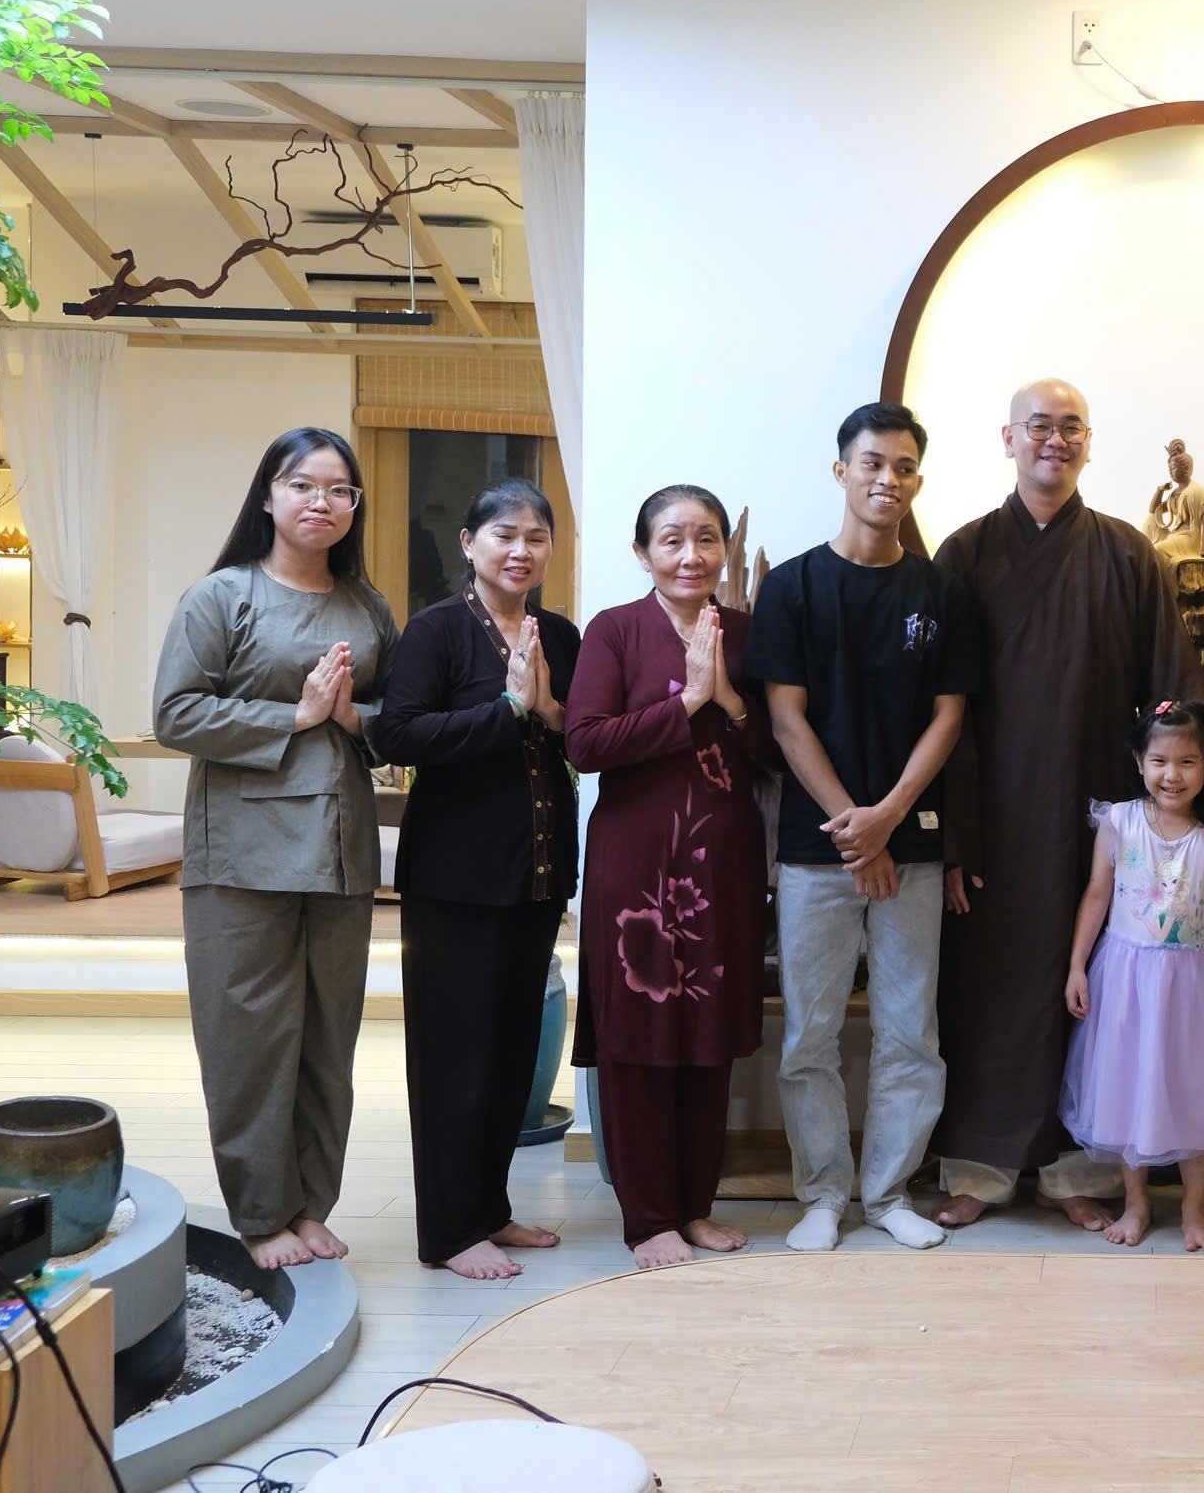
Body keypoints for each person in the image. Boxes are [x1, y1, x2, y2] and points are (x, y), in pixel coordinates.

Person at [931, 379, 1204, 1230]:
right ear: (1008, 438)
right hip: (995, 817)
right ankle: (978, 1171)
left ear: (1089, 443)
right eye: (1040, 426)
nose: (1055, 441)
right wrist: (954, 836)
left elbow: (1171, 694)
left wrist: (1168, 824)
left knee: (1096, 993)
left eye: (1071, 428)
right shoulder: (965, 553)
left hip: (1103, 819)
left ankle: (1081, 1173)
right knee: (989, 990)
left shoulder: (1128, 555)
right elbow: (938, 708)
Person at [152, 427, 398, 1271]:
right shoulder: (220, 597)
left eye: (339, 489)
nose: (321, 501)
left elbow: (395, 717)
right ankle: (262, 1214)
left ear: (354, 506)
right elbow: (175, 713)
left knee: (329, 1039)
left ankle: (310, 1203)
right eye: (302, 484)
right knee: (248, 1039)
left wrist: (352, 716)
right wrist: (293, 715)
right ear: (268, 495)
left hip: (342, 846)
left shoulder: (367, 607)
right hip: (242, 852)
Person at [747, 402, 977, 1254]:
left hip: (910, 843)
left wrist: (886, 821)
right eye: (873, 463)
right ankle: (821, 1194)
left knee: (911, 1031)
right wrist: (856, 827)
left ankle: (888, 1193)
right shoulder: (792, 586)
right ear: (842, 471)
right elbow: (786, 720)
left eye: (904, 466)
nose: (888, 479)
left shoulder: (941, 591)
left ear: (918, 480)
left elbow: (949, 717)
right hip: (819, 851)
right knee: (809, 1033)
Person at [565, 484, 777, 1269]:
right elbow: (585, 743)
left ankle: (694, 1208)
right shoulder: (615, 630)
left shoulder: (747, 634)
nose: (692, 555)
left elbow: (780, 752)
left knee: (707, 1037)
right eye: (673, 540)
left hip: (724, 866)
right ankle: (648, 1217)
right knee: (639, 1038)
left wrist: (731, 701)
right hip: (636, 872)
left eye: (707, 539)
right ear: (642, 552)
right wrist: (688, 701)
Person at [375, 478, 580, 1280]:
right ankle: (449, 1231)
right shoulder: (436, 631)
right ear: (469, 544)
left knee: (508, 1055)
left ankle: (488, 1210)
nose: (521, 550)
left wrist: (551, 711)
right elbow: (398, 734)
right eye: (504, 534)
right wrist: (509, 710)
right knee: (453, 1058)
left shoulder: (558, 634)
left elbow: (580, 733)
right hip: (454, 880)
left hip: (535, 874)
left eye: (536, 537)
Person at [1060, 699, 1204, 1251]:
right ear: (1139, 762)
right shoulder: (1119, 822)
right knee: (1129, 1087)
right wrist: (1077, 967)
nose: (1172, 775)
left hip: (1194, 984)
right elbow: (1097, 896)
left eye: (1187, 762)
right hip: (1125, 980)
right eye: (1159, 761)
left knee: (1197, 1089)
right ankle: (1136, 1202)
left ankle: (1195, 1207)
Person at [1146, 439, 1204, 562]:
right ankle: (1144, 549)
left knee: (1158, 550)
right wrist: (1160, 490)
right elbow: (1154, 511)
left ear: (1186, 468)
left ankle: (1158, 573)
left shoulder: (1198, 491)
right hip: (1172, 537)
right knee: (1150, 520)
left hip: (1188, 539)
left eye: (1173, 468)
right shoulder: (1174, 494)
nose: (1170, 472)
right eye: (1169, 469)